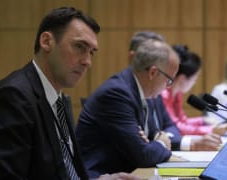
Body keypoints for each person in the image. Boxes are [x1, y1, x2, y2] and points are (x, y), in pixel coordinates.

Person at [0, 7, 139, 180]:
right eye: (79, 46)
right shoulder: (13, 98)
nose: (87, 61)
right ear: (46, 41)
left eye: (91, 52)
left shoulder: (58, 99)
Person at [76, 38, 180, 177]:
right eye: (169, 80)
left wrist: (153, 142)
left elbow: (150, 137)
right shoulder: (117, 93)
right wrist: (161, 143)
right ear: (153, 73)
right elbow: (144, 155)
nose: (168, 87)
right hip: (100, 175)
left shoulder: (141, 91)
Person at [160, 45, 227, 136]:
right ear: (182, 78)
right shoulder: (163, 94)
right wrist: (210, 130)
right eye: (195, 78)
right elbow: (175, 127)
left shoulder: (177, 93)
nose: (195, 82)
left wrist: (203, 121)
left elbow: (182, 121)